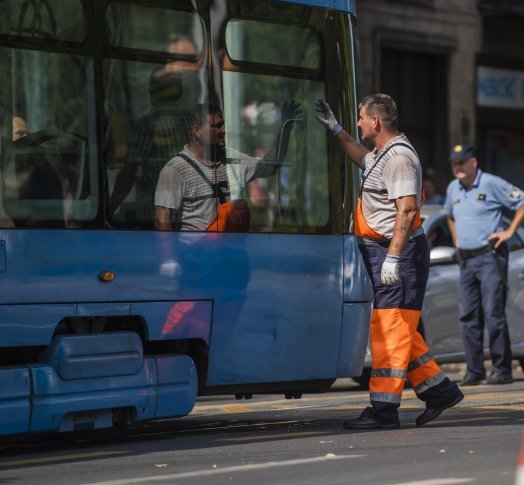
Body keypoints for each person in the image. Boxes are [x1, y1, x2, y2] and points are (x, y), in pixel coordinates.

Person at [316, 94, 463, 429]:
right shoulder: (383, 154)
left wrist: (393, 257)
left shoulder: (399, 158)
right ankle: (439, 390)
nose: (358, 123)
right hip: (385, 251)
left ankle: (383, 410)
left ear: (376, 122)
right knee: (400, 329)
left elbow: (407, 210)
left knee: (388, 331)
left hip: (398, 253)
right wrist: (338, 131)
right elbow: (363, 160)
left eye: (360, 118)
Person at [445, 145, 524, 386]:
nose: (458, 166)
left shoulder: (491, 183)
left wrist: (510, 232)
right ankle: (474, 370)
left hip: (489, 257)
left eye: (462, 162)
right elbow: (450, 215)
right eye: (454, 162)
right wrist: (456, 239)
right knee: (467, 316)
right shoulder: (453, 187)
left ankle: (502, 369)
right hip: (466, 259)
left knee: (493, 313)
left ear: (474, 162)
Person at [154, 102, 298, 231]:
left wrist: (285, 128)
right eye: (216, 126)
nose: (223, 131)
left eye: (222, 124)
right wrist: (170, 260)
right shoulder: (175, 169)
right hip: (196, 256)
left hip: (233, 252)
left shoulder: (233, 159)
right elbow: (162, 221)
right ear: (196, 131)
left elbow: (270, 167)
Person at [108, 68, 194, 222]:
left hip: (156, 215)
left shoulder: (147, 125)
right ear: (180, 92)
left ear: (151, 92)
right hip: (192, 215)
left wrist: (109, 209)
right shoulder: (193, 123)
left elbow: (129, 173)